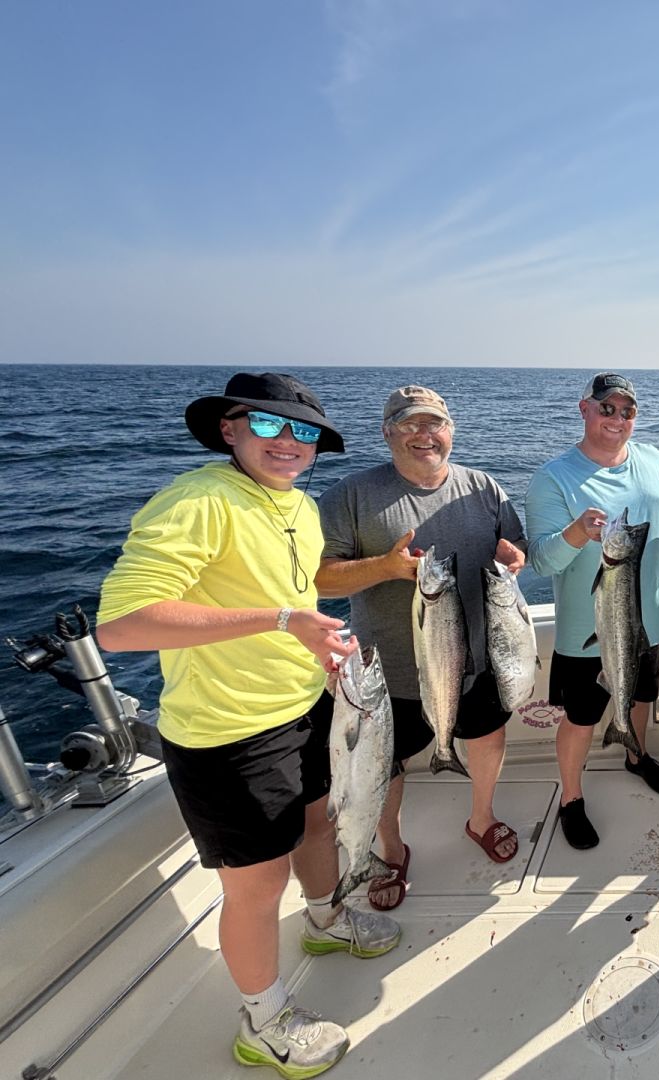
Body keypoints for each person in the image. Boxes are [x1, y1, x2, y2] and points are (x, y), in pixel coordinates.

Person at [95, 373, 400, 1079]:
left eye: (303, 431)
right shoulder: (199, 500)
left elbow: (293, 588)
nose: (288, 441)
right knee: (257, 886)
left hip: (307, 704)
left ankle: (326, 920)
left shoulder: (299, 505)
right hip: (229, 731)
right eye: (266, 425)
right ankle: (263, 1022)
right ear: (228, 430)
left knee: (321, 823)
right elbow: (122, 624)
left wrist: (315, 645)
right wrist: (282, 620)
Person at [315, 385, 528, 908]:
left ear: (450, 431)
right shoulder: (350, 495)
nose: (424, 435)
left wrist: (515, 555)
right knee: (384, 766)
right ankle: (391, 849)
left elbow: (516, 543)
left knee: (487, 737)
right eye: (410, 425)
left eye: (435, 424)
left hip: (474, 657)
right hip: (386, 671)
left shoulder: (483, 486)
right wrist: (385, 568)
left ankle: (481, 818)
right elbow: (319, 578)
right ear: (387, 432)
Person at [525, 373, 659, 850]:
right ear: (584, 409)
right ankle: (570, 799)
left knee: (640, 696)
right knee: (581, 717)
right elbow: (541, 561)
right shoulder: (553, 477)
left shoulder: (653, 459)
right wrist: (577, 533)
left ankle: (635, 755)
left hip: (649, 619)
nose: (617, 418)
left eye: (627, 411)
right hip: (589, 630)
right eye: (607, 408)